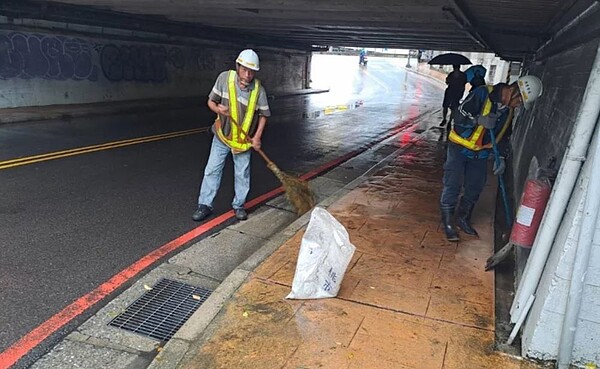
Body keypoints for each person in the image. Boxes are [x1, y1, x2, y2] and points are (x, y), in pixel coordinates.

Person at [439, 75, 543, 241]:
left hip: (480, 154)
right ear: (514, 92)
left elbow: (504, 136)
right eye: (520, 101)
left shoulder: (508, 111)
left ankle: (462, 218)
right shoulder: (482, 93)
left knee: (475, 186)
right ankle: (448, 222)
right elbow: (459, 115)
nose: (518, 106)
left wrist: (500, 156)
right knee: (453, 183)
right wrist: (477, 120)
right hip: (459, 147)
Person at [192, 49, 270, 222]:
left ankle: (239, 205)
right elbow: (211, 102)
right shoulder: (224, 79)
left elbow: (264, 115)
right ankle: (204, 205)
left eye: (251, 71)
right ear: (237, 66)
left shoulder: (258, 90)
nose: (247, 75)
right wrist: (218, 109)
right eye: (244, 70)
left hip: (243, 141)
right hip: (222, 136)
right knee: (212, 170)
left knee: (242, 175)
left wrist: (257, 137)